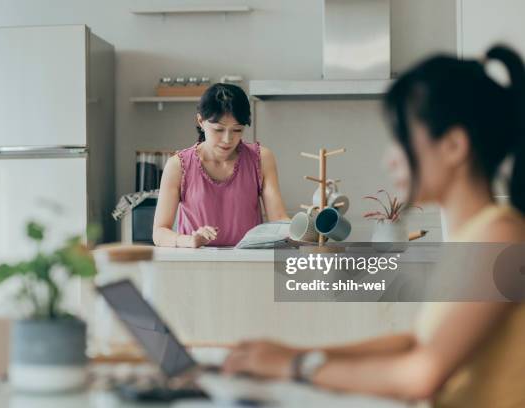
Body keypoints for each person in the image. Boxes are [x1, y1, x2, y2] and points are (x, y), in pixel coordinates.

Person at [222, 45, 525, 407]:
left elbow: (422, 374)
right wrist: (294, 353)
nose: (390, 158)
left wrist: (295, 365)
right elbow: (417, 341)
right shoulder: (477, 236)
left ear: (454, 146)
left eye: (402, 139)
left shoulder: (501, 237)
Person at [153, 83, 289, 248]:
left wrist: (307, 229)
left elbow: (279, 220)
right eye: (219, 130)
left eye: (237, 130)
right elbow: (159, 232)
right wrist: (189, 240)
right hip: (194, 263)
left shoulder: (261, 159)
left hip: (249, 262)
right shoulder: (178, 165)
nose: (227, 139)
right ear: (201, 121)